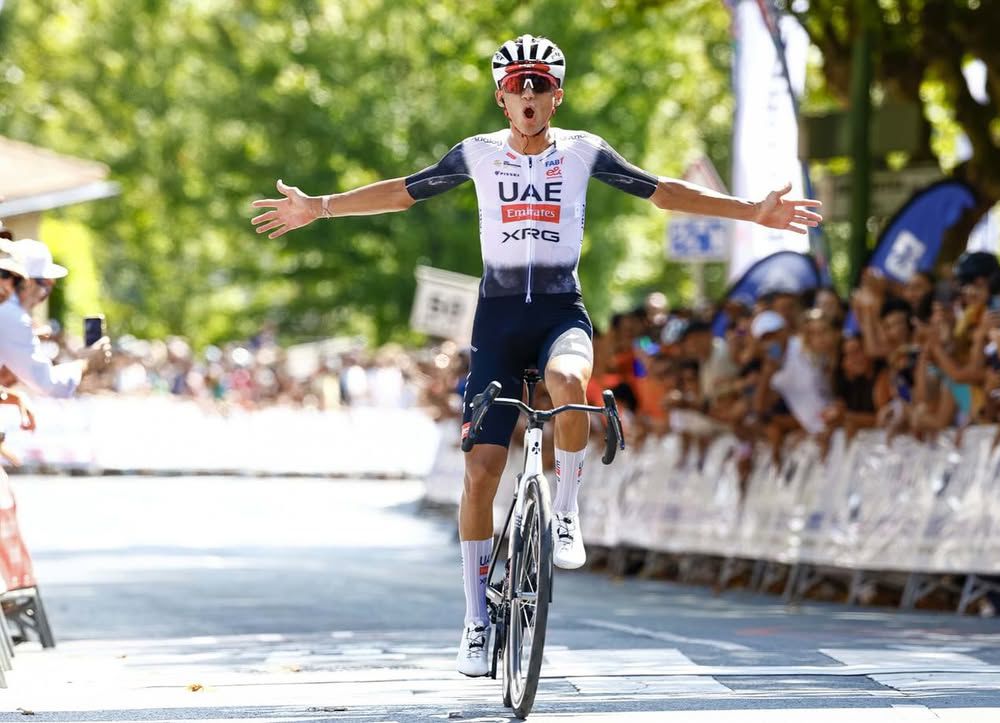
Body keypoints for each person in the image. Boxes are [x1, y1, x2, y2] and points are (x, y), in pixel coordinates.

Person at [250, 34, 822, 677]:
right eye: (517, 85)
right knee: (480, 473)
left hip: (558, 313)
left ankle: (568, 514)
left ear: (558, 96)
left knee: (570, 378)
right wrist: (319, 208)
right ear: (501, 97)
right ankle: (473, 621)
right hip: (496, 324)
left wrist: (751, 212)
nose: (529, 94)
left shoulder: (584, 152)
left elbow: (662, 191)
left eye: (540, 85)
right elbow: (404, 192)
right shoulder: (476, 154)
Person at [0, 239, 111, 397]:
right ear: (28, 283)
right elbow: (49, 385)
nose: (45, 295)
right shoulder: (11, 315)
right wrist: (86, 363)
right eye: (46, 285)